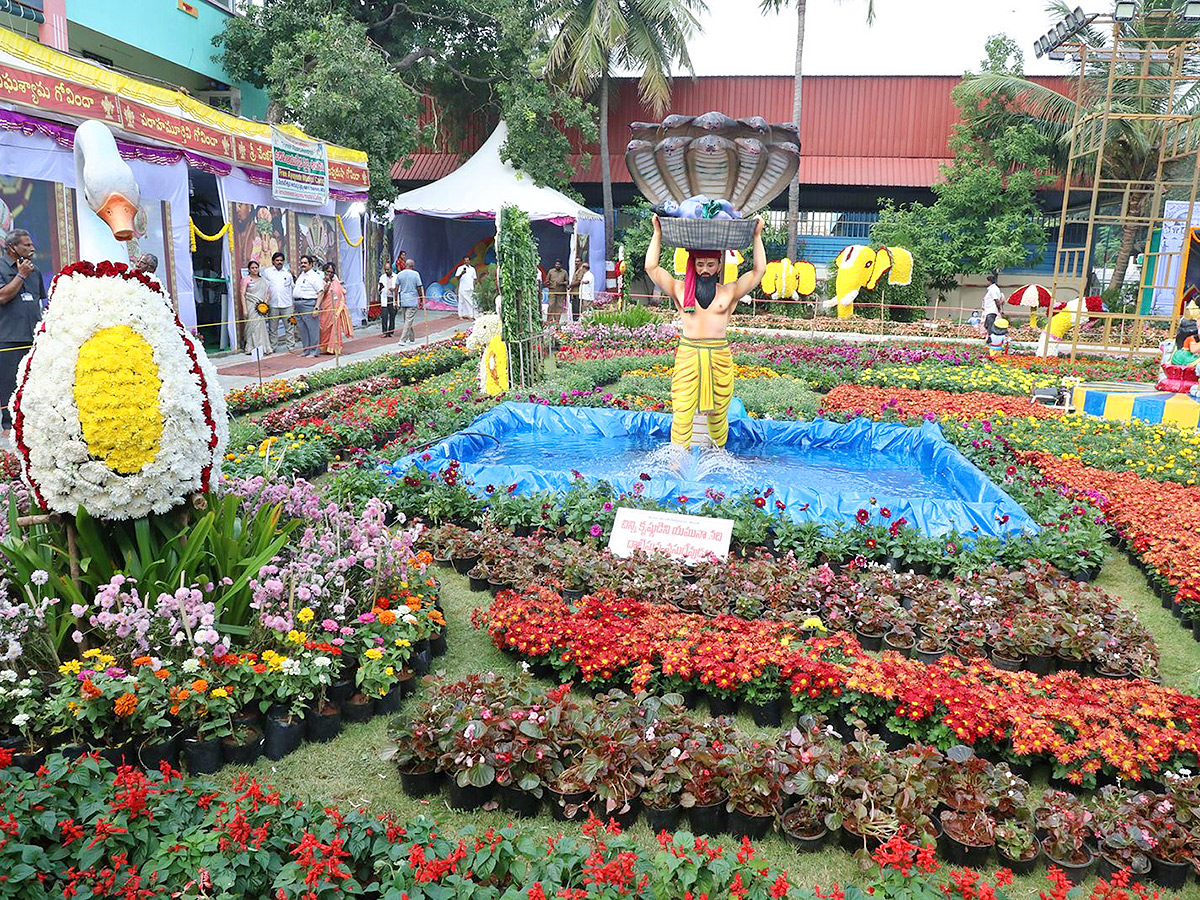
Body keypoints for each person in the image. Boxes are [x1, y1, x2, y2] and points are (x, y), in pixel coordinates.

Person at [644, 214, 765, 448]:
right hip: (688, 353)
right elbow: (652, 267)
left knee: (719, 412)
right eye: (700, 264)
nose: (705, 270)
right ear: (693, 265)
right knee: (682, 409)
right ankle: (678, 458)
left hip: (719, 355)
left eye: (710, 264)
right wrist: (657, 232)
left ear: (719, 265)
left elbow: (758, 271)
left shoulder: (729, 292)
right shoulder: (680, 290)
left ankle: (719, 453)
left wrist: (757, 235)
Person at [0, 229, 44, 433]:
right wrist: (20, 275)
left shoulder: (35, 272)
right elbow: (2, 297)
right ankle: (8, 424)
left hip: (33, 338)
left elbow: (40, 302)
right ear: (12, 248)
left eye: (31, 244)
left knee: (34, 385)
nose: (32, 248)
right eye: (26, 245)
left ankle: (34, 424)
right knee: (9, 384)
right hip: (8, 338)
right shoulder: (2, 268)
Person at [262, 251, 296, 351]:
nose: (279, 262)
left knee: (289, 327)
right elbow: (264, 286)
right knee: (273, 328)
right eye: (277, 260)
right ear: (273, 261)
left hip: (287, 304)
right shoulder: (267, 272)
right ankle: (273, 347)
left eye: (281, 260)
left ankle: (291, 347)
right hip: (273, 304)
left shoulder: (287, 273)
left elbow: (293, 287)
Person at [292, 254, 324, 357]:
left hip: (309, 304)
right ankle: (306, 350)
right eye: (301, 263)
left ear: (311, 264)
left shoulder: (315, 277)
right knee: (302, 329)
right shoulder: (301, 275)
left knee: (312, 329)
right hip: (298, 305)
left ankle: (314, 351)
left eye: (305, 263)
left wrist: (316, 307)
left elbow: (321, 292)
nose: (303, 265)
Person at [319, 262, 353, 355]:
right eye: (327, 271)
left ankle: (334, 348)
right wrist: (327, 284)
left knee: (335, 328)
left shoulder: (336, 282)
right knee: (324, 328)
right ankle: (324, 347)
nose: (329, 273)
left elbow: (342, 293)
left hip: (335, 310)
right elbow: (322, 294)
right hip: (325, 309)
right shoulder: (321, 281)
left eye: (331, 272)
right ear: (324, 271)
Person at [240, 260, 273, 358]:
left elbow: (267, 292)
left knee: (261, 326)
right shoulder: (246, 280)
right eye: (252, 268)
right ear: (249, 270)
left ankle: (263, 347)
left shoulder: (263, 280)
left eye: (256, 267)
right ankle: (252, 347)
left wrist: (265, 304)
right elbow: (242, 294)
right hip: (250, 306)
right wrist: (245, 309)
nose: (255, 269)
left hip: (261, 307)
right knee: (252, 326)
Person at [396, 258, 423, 344]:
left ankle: (411, 339)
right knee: (408, 321)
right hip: (412, 300)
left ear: (405, 265)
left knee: (407, 320)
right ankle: (403, 340)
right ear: (412, 266)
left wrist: (396, 300)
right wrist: (421, 298)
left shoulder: (399, 274)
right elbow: (419, 287)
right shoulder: (416, 274)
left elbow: (396, 288)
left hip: (403, 299)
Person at [378, 260, 398, 337]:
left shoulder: (396, 277)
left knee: (392, 316)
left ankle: (391, 332)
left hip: (393, 299)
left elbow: (399, 288)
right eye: (385, 269)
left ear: (391, 269)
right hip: (385, 298)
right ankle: (384, 332)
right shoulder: (382, 277)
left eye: (388, 269)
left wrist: (394, 289)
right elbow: (379, 289)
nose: (386, 271)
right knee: (384, 316)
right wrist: (381, 288)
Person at [546, 259, 569, 323]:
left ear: (561, 265)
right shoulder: (551, 271)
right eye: (556, 264)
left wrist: (561, 283)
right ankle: (549, 321)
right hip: (552, 291)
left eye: (559, 264)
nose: (557, 265)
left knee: (559, 306)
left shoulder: (564, 272)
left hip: (561, 292)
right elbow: (546, 280)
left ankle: (557, 321)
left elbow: (567, 282)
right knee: (551, 305)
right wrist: (549, 283)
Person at [982, 273, 1003, 338]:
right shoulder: (992, 289)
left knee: (990, 325)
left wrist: (999, 309)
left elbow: (996, 300)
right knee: (987, 325)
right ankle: (991, 337)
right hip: (988, 310)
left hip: (992, 310)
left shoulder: (993, 289)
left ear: (989, 281)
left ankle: (992, 338)